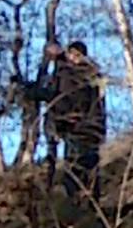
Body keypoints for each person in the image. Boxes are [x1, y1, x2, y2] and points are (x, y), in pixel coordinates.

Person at [25, 40, 107, 207]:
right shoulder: (70, 72)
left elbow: (61, 97)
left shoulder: (82, 75)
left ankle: (88, 205)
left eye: (78, 55)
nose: (74, 58)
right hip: (76, 128)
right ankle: (80, 204)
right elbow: (52, 93)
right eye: (72, 54)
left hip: (82, 127)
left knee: (83, 168)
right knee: (76, 169)